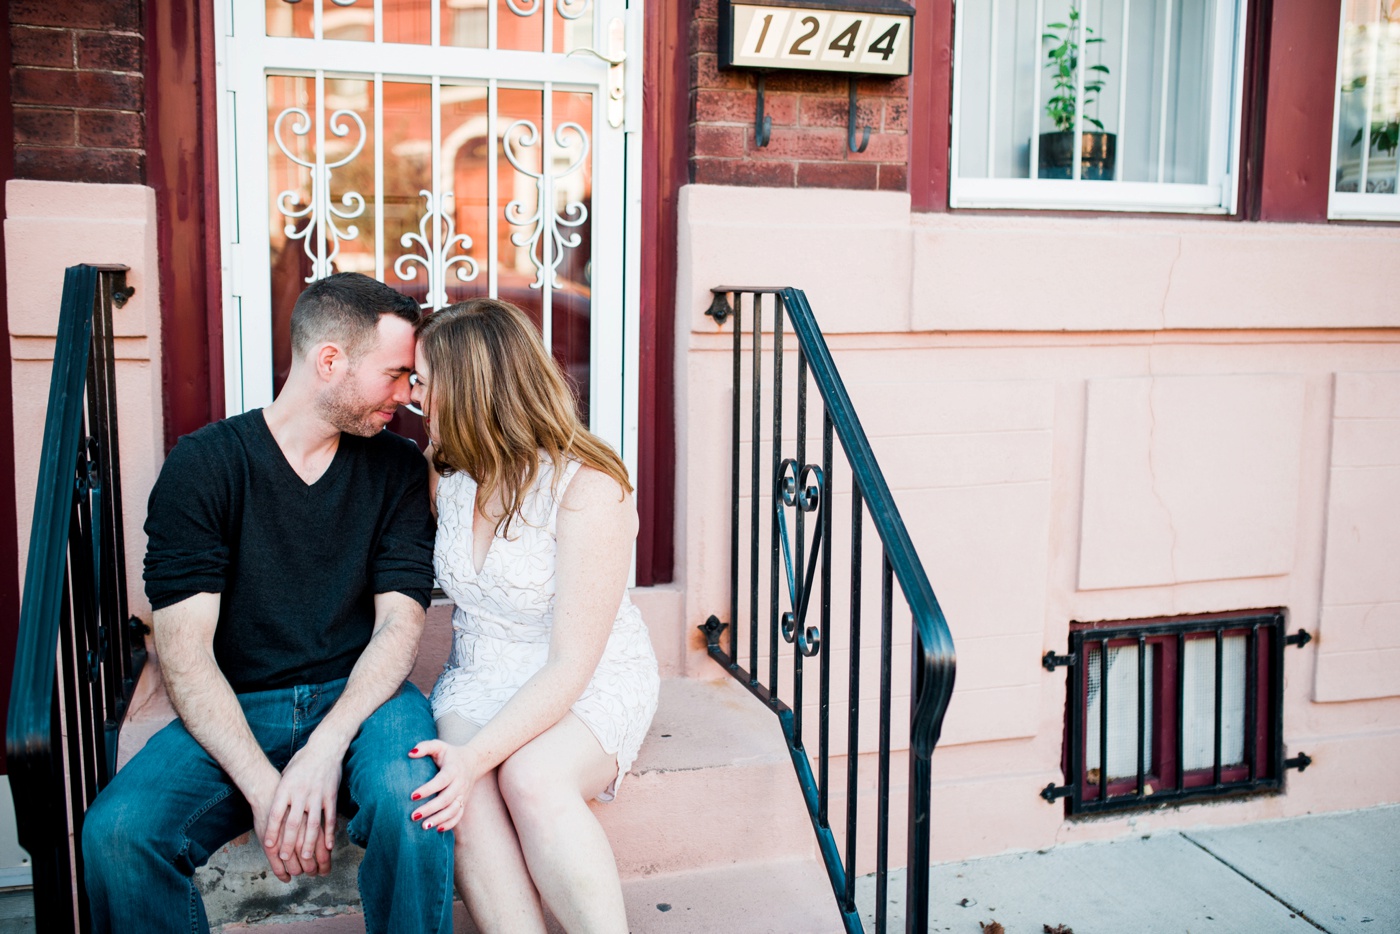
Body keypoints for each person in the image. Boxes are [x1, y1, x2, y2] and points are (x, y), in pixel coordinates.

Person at [82, 273, 454, 934]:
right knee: (118, 834)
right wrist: (263, 788)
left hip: (364, 699)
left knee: (413, 803)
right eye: (395, 375)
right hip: (242, 701)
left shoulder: (397, 466)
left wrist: (324, 747)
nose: (408, 397)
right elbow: (186, 652)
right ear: (330, 362)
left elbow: (400, 621)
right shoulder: (206, 466)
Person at [405, 298, 659, 934]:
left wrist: (480, 756)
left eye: (425, 384)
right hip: (481, 669)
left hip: (587, 675)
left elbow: (573, 661)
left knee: (532, 777)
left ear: (468, 390)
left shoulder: (589, 489)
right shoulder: (445, 473)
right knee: (454, 798)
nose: (413, 398)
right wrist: (465, 764)